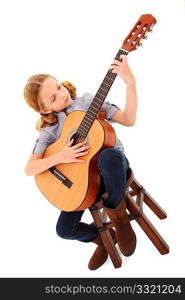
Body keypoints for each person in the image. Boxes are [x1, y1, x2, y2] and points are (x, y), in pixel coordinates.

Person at [24, 54, 137, 270]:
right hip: (83, 184)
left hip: (112, 173)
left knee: (109, 155)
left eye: (58, 87)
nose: (61, 94)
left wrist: (130, 82)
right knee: (64, 230)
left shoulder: (87, 102)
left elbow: (129, 119)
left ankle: (119, 216)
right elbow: (30, 168)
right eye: (53, 98)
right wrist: (61, 156)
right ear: (45, 110)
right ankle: (103, 240)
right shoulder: (50, 131)